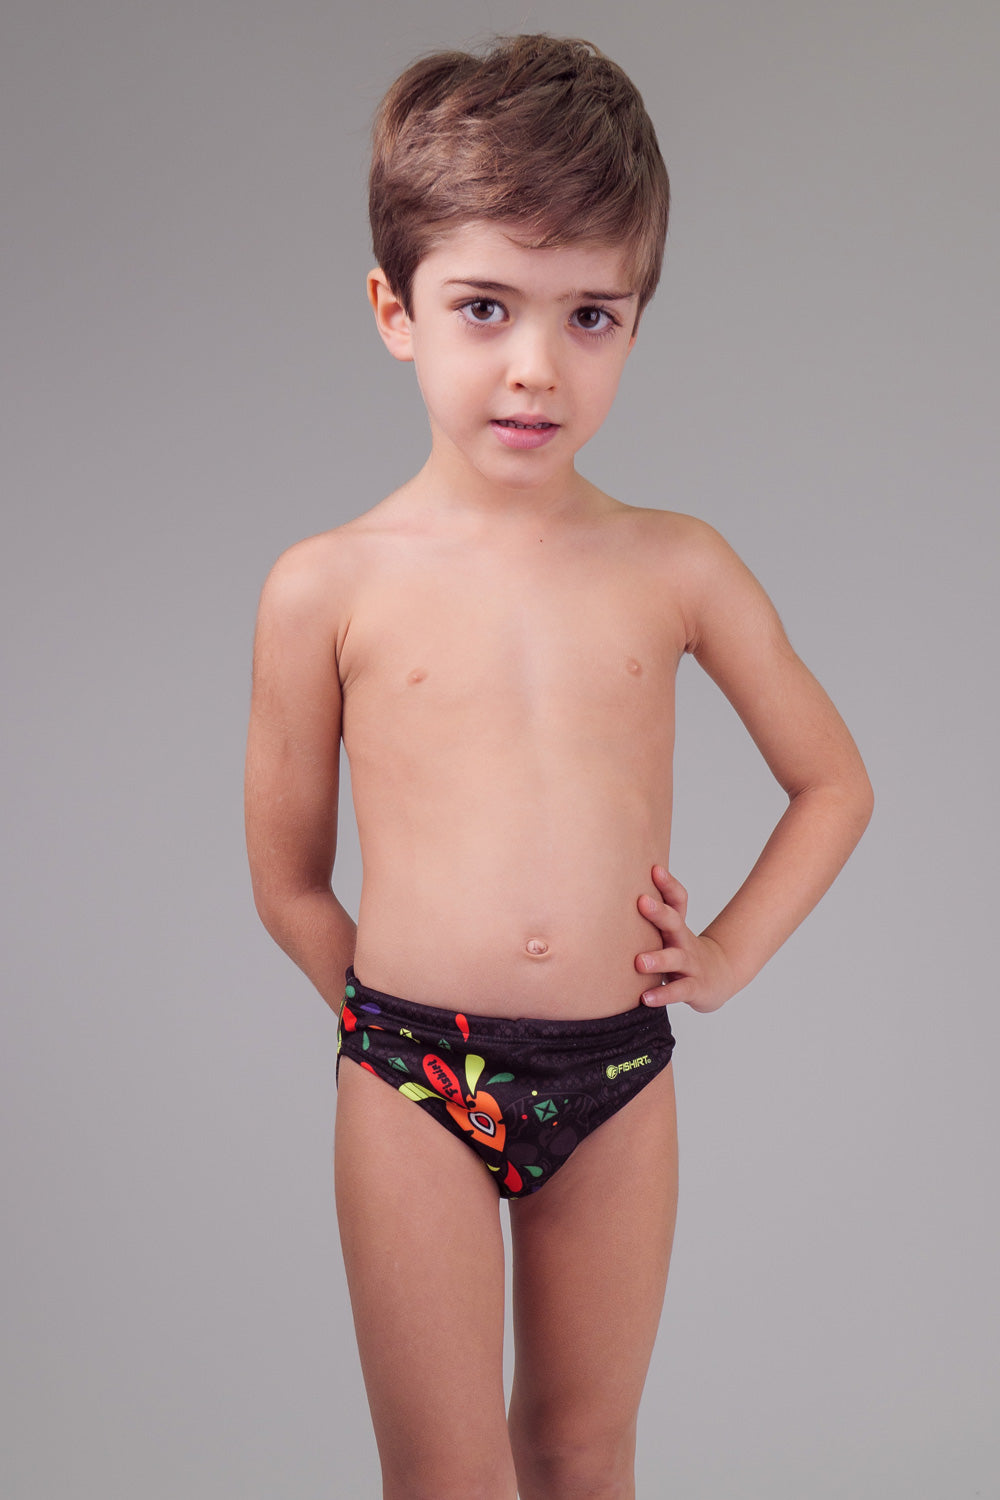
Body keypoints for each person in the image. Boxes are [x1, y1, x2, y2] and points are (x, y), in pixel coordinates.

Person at [244, 33, 873, 1500]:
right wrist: (390, 1026)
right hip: (413, 1077)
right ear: (395, 311)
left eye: (590, 315)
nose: (535, 366)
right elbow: (287, 880)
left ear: (636, 321)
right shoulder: (325, 587)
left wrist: (727, 954)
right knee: (445, 1474)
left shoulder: (677, 566)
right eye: (485, 308)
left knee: (585, 1455)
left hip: (616, 1077)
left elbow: (834, 781)